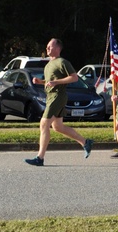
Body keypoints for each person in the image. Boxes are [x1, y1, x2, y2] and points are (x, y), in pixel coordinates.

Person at [25, 38, 95, 166]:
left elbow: (74, 77)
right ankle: (85, 142)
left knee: (44, 123)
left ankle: (40, 158)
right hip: (51, 96)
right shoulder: (48, 65)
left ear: (58, 48)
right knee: (58, 127)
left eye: (50, 46)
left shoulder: (62, 62)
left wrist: (56, 82)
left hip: (58, 96)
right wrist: (40, 82)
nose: (47, 48)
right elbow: (49, 81)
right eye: (47, 46)